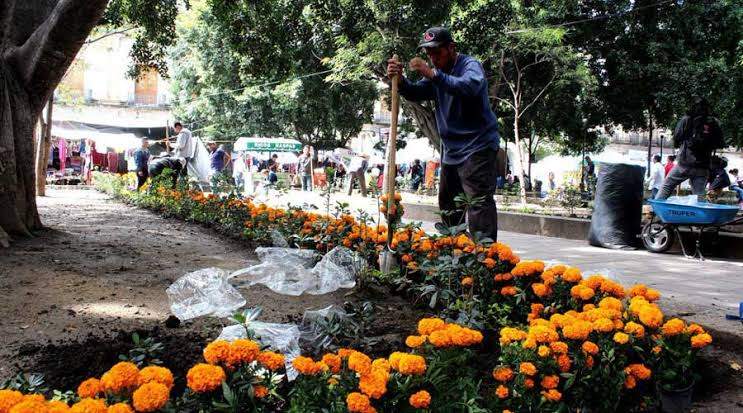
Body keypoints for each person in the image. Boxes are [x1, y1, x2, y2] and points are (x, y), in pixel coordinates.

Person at [387, 27, 500, 240]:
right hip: (451, 150)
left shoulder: (469, 66)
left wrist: (432, 74)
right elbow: (416, 92)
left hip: (478, 147)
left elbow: (469, 86)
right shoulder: (436, 75)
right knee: (449, 206)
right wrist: (400, 80)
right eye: (429, 54)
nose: (433, 58)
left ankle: (485, 259)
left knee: (478, 204)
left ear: (451, 48)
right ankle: (453, 251)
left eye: (437, 52)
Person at [655, 97, 725, 200]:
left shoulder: (687, 119)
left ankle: (655, 210)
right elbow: (720, 143)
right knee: (699, 195)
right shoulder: (714, 123)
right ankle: (699, 215)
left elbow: (677, 137)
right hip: (703, 166)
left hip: (685, 163)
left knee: (667, 185)